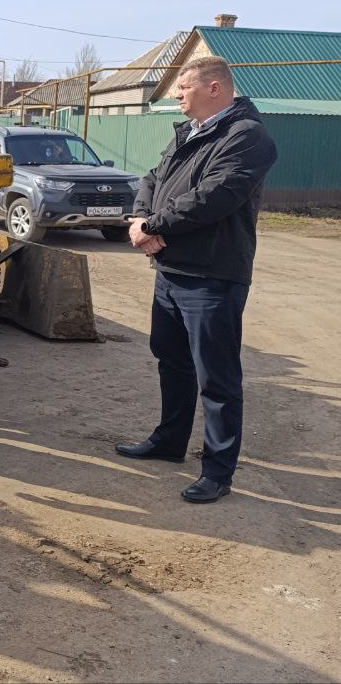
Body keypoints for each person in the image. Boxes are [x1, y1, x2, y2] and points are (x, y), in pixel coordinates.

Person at [116, 56, 277, 504]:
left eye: (183, 87)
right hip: (171, 269)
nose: (177, 96)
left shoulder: (247, 137)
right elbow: (152, 177)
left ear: (214, 89)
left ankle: (218, 470)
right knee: (172, 360)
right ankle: (169, 442)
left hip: (212, 274)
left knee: (217, 377)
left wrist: (152, 228)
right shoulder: (189, 133)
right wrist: (139, 217)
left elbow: (215, 197)